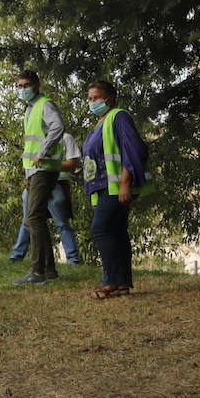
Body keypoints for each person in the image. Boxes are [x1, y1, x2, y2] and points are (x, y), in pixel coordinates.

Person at [81, 81, 152, 299]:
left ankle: (110, 281)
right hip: (103, 186)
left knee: (101, 229)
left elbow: (133, 149)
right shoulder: (100, 123)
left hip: (116, 186)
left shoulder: (118, 116)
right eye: (90, 99)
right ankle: (122, 284)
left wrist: (125, 183)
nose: (92, 102)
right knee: (117, 232)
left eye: (96, 98)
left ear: (109, 99)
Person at [12, 70, 68, 286]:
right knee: (38, 218)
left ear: (37, 85)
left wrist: (42, 153)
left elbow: (58, 128)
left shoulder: (45, 104)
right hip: (35, 170)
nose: (23, 89)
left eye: (26, 85)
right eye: (20, 86)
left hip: (43, 169)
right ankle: (50, 270)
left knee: (34, 217)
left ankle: (38, 272)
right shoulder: (31, 108)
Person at [9, 131, 83, 266]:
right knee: (28, 221)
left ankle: (73, 259)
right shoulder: (35, 140)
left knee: (62, 223)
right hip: (34, 183)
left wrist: (50, 164)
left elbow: (72, 165)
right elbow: (27, 163)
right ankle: (16, 257)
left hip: (57, 183)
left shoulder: (65, 138)